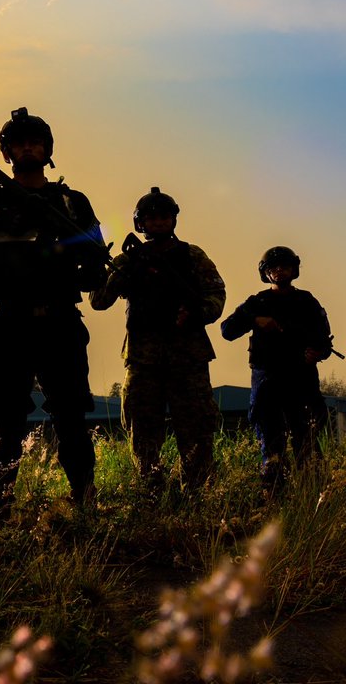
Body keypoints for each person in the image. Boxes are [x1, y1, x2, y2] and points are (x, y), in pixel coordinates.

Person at [0, 108, 107, 523]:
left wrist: (69, 248)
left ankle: (85, 500)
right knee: (6, 417)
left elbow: (97, 262)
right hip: (11, 322)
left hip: (62, 320)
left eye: (35, 141)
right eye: (19, 143)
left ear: (48, 150)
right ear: (8, 152)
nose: (27, 147)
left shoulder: (71, 203)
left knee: (71, 415)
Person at [89, 188, 225, 494]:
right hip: (142, 359)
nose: (159, 222)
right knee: (142, 429)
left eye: (164, 216)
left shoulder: (193, 256)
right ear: (141, 223)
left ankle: (197, 494)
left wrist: (196, 314)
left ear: (173, 219)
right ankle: (151, 491)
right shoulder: (128, 259)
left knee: (196, 430)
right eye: (152, 217)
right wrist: (114, 276)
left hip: (188, 358)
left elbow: (216, 295)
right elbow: (98, 300)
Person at [221, 246, 333, 491]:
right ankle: (273, 499)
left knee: (308, 445)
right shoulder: (257, 302)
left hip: (301, 382)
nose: (279, 271)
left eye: (284, 266)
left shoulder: (307, 301)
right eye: (273, 267)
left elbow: (324, 340)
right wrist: (254, 320)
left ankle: (314, 499)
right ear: (265, 273)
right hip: (267, 383)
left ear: (294, 269)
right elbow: (227, 330)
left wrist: (317, 352)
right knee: (272, 447)